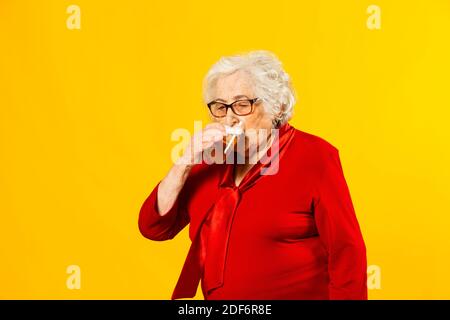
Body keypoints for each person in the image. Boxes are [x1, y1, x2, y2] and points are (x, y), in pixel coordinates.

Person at [138, 50, 367, 300]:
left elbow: (347, 252)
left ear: (275, 106)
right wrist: (183, 163)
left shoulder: (315, 156)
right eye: (220, 107)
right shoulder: (209, 160)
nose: (230, 118)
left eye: (241, 104)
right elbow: (154, 228)